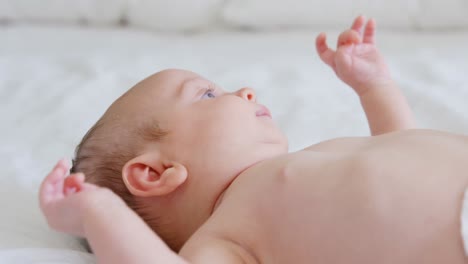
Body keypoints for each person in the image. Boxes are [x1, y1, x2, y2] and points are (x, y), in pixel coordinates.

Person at [39, 16, 468, 263]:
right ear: (156, 172)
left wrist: (375, 89)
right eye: (208, 94)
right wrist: (98, 213)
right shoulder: (228, 237)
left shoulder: (312, 160)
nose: (245, 91)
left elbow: (402, 147)